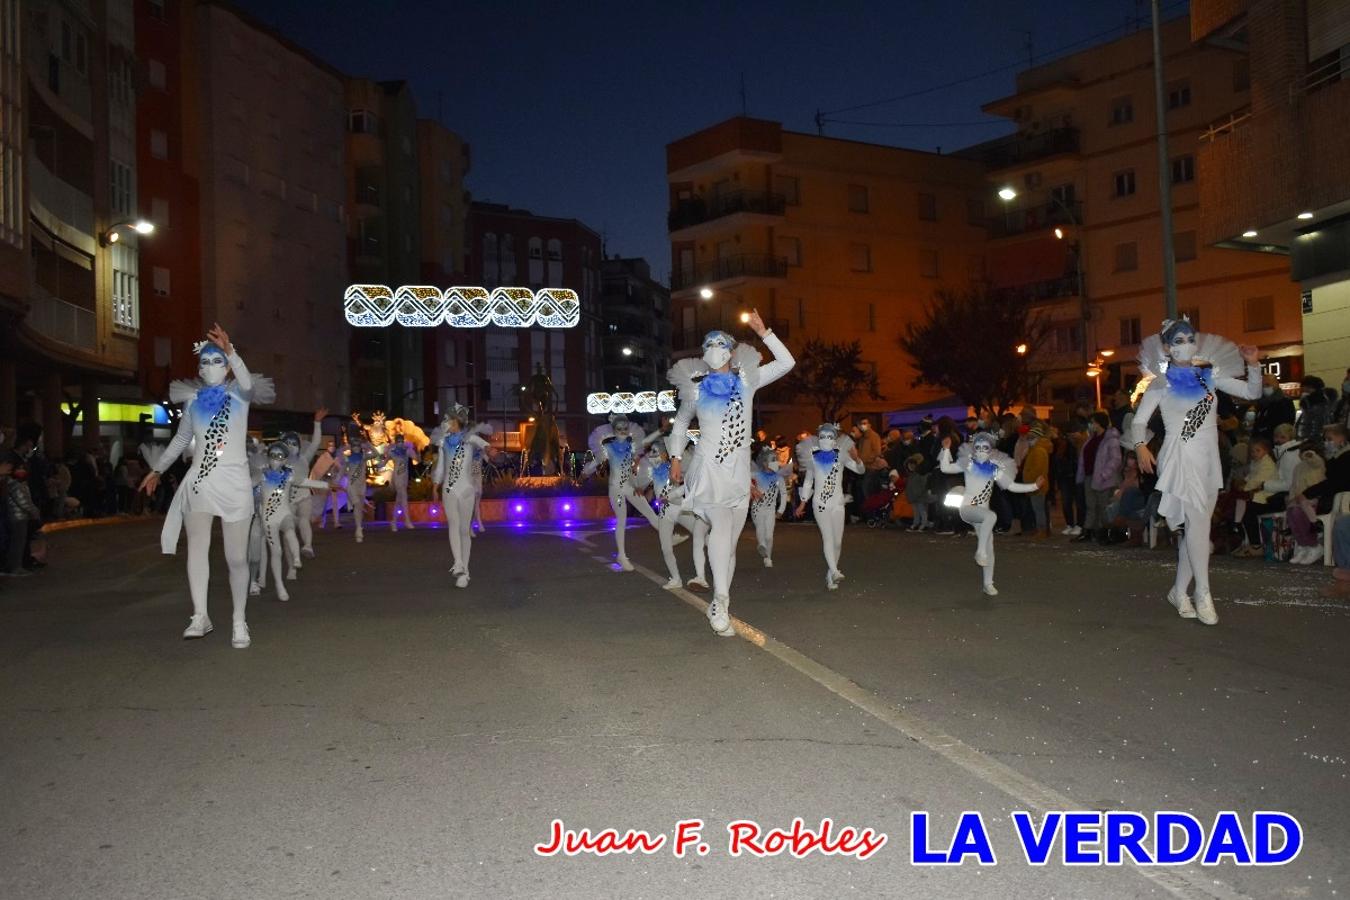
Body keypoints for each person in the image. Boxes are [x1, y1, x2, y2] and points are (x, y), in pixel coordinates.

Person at [139, 325, 275, 649]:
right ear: (199, 370)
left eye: (217, 361)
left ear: (226, 367)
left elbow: (247, 382)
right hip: (200, 481)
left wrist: (231, 351)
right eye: (205, 362)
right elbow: (181, 440)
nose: (210, 366)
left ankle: (239, 620)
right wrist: (157, 469)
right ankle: (200, 615)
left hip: (235, 484)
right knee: (197, 549)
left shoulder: (239, 395)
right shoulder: (193, 402)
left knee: (236, 558)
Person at [668, 311, 794, 636]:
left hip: (738, 473)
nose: (714, 349)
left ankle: (722, 600)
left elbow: (786, 363)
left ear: (731, 350)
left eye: (720, 344)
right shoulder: (696, 389)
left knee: (730, 545)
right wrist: (676, 458)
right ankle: (720, 601)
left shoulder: (747, 381)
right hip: (709, 469)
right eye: (708, 345)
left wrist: (765, 333)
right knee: (720, 528)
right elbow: (680, 423)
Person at [1134, 317, 1262, 625]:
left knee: (1198, 532)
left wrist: (1254, 364)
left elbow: (1252, 393)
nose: (1187, 345)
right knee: (1197, 525)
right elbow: (1138, 421)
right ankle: (1203, 592)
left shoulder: (1209, 376)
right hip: (1179, 457)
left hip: (1208, 459)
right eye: (1179, 341)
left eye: (1190, 339)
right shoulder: (1161, 383)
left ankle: (1179, 591)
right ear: (1167, 347)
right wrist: (1140, 446)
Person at [939, 432, 1045, 596]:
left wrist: (1034, 486)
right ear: (974, 449)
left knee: (990, 547)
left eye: (985, 447)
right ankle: (980, 552)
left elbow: (1011, 486)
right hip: (968, 507)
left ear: (991, 450)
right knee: (991, 517)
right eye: (978, 447)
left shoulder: (994, 470)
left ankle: (988, 584)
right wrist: (946, 449)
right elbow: (945, 468)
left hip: (982, 512)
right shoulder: (968, 464)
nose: (981, 450)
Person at [582, 413, 661, 571]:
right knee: (622, 520)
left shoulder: (631, 447)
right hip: (616, 490)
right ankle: (622, 556)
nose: (623, 431)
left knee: (650, 512)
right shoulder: (608, 448)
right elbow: (597, 461)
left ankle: (668, 536)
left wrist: (637, 484)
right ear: (613, 430)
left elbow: (635, 464)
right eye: (619, 429)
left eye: (625, 428)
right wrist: (584, 473)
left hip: (630, 487)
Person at [255, 441, 329, 601]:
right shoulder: (262, 475)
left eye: (280, 456)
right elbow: (247, 485)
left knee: (290, 531)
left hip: (284, 513)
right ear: (268, 457)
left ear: (285, 459)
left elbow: (305, 482)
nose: (276, 459)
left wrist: (325, 484)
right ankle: (279, 585)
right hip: (268, 519)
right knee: (276, 552)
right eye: (273, 456)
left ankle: (296, 557)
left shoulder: (289, 475)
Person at [795, 424, 865, 590]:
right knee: (828, 538)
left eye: (829, 436)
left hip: (838, 503)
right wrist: (802, 502)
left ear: (835, 439)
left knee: (837, 542)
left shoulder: (841, 455)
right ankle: (834, 571)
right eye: (823, 436)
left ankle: (830, 574)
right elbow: (808, 481)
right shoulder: (813, 457)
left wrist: (857, 459)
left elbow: (860, 471)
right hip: (820, 503)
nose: (826, 439)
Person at [430, 406, 492, 588]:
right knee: (453, 524)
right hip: (449, 489)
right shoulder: (443, 443)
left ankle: (465, 572)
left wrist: (490, 450)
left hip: (467, 490)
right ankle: (458, 562)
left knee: (465, 530)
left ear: (456, 421)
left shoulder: (470, 438)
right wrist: (435, 486)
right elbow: (441, 467)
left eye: (447, 419)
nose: (444, 423)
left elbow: (485, 445)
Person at [635, 434, 707, 590]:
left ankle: (719, 556)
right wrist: (642, 489)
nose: (653, 457)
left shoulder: (674, 468)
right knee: (666, 548)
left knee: (702, 535)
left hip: (680, 510)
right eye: (651, 454)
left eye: (657, 453)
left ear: (665, 454)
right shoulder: (653, 472)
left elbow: (687, 483)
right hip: (664, 513)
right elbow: (647, 486)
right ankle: (676, 579)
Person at [1287, 424, 1350, 564]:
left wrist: (1307, 493)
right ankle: (1304, 545)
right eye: (1325, 439)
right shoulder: (1334, 457)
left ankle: (1313, 545)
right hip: (1326, 496)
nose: (1327, 442)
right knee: (1292, 510)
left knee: (1298, 511)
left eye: (1330, 439)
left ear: (1342, 438)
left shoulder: (1346, 457)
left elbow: (1335, 483)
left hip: (1336, 499)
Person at [1237, 422, 1301, 556]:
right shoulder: (1283, 453)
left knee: (1248, 510)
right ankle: (1250, 543)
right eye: (1276, 437)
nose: (1278, 440)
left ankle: (1255, 545)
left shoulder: (1289, 455)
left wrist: (1263, 485)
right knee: (1243, 507)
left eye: (1283, 437)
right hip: (1278, 494)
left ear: (1290, 438)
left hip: (1285, 497)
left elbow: (1288, 484)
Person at [279, 409, 327, 553]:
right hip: (287, 498)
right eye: (288, 443)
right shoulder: (280, 462)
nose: (291, 446)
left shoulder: (304, 458)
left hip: (304, 496)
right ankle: (292, 555)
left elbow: (315, 443)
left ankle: (307, 546)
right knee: (289, 526)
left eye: (294, 443)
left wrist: (317, 423)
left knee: (304, 520)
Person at [1078, 412, 1123, 544]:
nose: (1090, 425)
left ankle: (1106, 532)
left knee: (1104, 506)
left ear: (1098, 423)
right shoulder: (1091, 438)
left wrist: (1104, 474)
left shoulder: (1111, 439)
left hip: (1104, 478)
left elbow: (1115, 459)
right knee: (1091, 505)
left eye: (1092, 422)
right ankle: (1089, 530)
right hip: (1090, 476)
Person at [749, 446, 787, 568]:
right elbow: (743, 477)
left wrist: (781, 510)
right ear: (765, 463)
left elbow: (784, 494)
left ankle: (768, 557)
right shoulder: (757, 475)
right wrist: (752, 488)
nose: (775, 462)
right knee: (760, 527)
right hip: (757, 508)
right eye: (772, 460)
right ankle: (761, 545)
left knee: (769, 536)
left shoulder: (779, 478)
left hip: (770, 510)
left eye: (776, 459)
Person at [338, 425, 374, 543]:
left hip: (362, 486)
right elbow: (342, 470)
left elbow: (376, 454)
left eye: (358, 446)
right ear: (352, 447)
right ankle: (358, 529)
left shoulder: (364, 457)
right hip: (352, 485)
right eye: (354, 446)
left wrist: (367, 444)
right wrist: (336, 482)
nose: (356, 447)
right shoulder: (348, 458)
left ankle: (359, 526)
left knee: (359, 508)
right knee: (357, 505)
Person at [1021, 421, 1053, 539]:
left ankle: (1042, 529)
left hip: (1037, 484)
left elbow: (1037, 470)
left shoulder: (1038, 451)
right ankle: (1040, 529)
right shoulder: (1035, 450)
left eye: (1031, 437)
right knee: (1037, 508)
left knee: (1038, 509)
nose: (1029, 440)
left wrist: (1030, 481)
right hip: (1036, 484)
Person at [385, 428, 418, 533]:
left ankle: (394, 521)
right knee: (403, 496)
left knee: (399, 499)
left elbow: (416, 459)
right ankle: (407, 520)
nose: (400, 443)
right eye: (398, 441)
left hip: (405, 476)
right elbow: (383, 462)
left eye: (401, 441)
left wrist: (415, 450)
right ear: (395, 442)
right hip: (397, 476)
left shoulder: (407, 450)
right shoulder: (392, 452)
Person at [1252, 374, 1294, 441]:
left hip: (1275, 441)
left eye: (1267, 385)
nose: (1264, 388)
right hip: (1261, 441)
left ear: (1276, 384)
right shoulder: (1262, 402)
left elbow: (1285, 426)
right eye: (1262, 386)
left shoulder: (1284, 402)